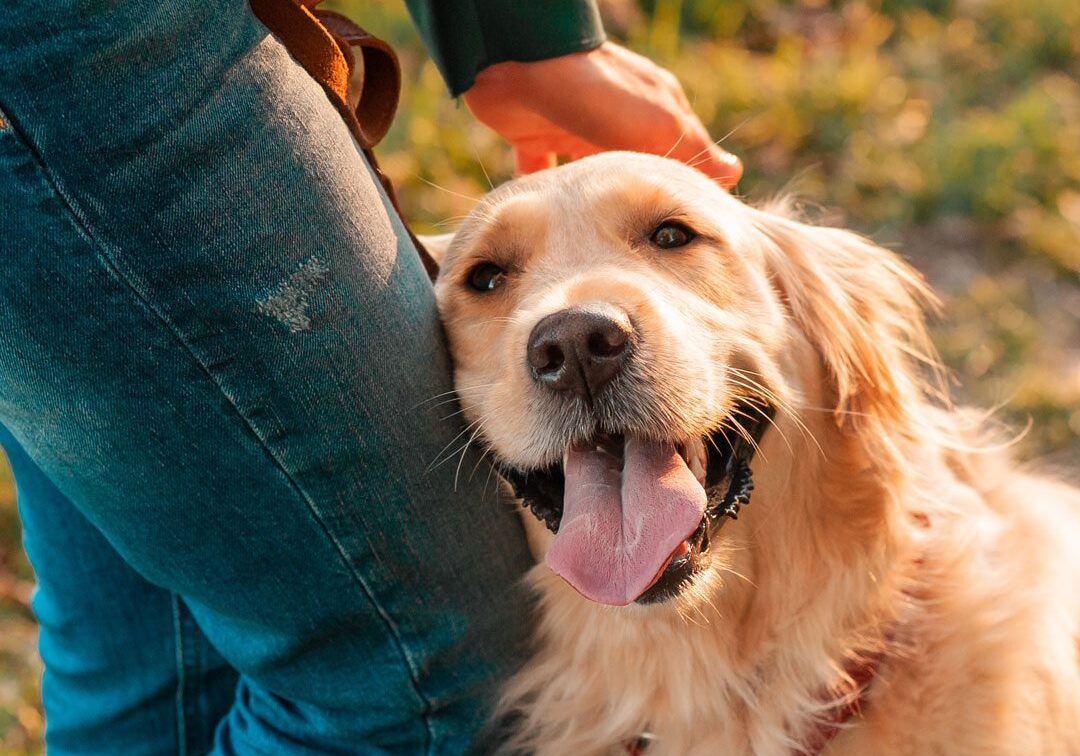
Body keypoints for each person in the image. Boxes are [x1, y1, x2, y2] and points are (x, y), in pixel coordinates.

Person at [0, 1, 740, 752]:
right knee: (415, 676)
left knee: (155, 665)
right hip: (81, 54)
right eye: (488, 277)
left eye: (671, 238)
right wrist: (520, 32)